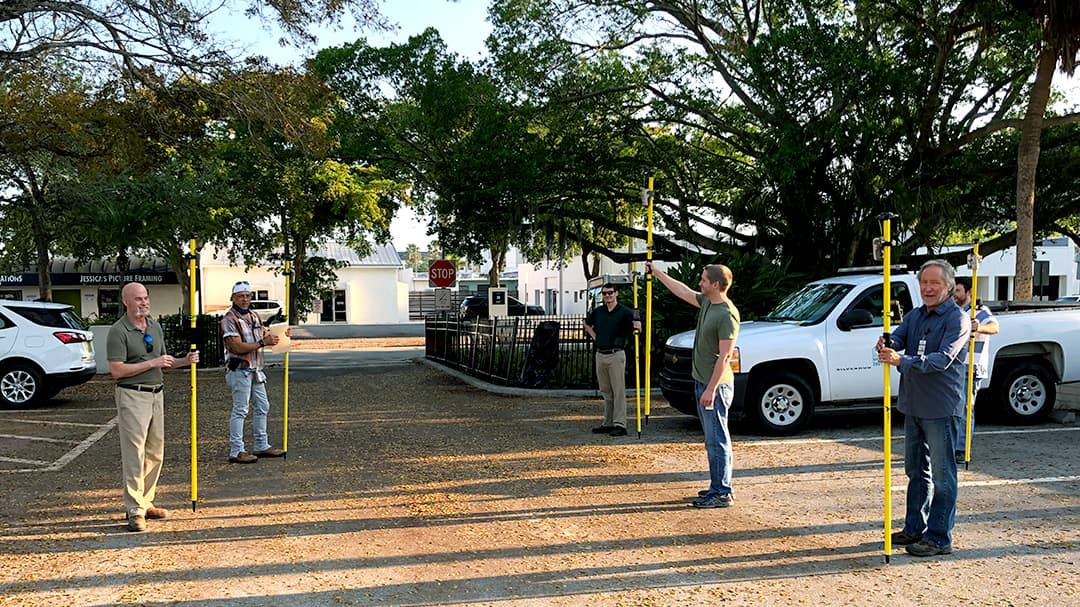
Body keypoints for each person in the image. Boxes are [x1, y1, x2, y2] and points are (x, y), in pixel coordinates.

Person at [876, 260, 971, 557]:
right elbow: (900, 338)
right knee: (916, 470)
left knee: (943, 476)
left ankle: (939, 537)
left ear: (949, 287)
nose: (928, 288)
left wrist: (900, 361)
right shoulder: (916, 315)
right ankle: (914, 527)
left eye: (935, 283)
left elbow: (943, 359)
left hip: (940, 407)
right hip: (914, 404)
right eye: (924, 283)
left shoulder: (956, 319)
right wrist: (885, 342)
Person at [646, 261, 740, 508]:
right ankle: (717, 486)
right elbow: (684, 291)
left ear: (716, 284)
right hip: (703, 382)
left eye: (704, 280)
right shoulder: (708, 302)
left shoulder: (727, 315)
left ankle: (722, 492)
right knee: (711, 438)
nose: (700, 283)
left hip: (716, 387)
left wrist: (710, 389)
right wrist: (657, 273)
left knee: (717, 437)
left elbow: (726, 357)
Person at [107, 282, 199, 532]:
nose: (144, 302)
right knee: (134, 453)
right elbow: (117, 370)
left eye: (146, 298)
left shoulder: (154, 327)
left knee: (155, 452)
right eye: (138, 299)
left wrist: (184, 361)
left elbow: (164, 362)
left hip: (156, 395)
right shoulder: (119, 331)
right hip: (132, 395)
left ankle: (146, 501)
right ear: (126, 301)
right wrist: (151, 363)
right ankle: (134, 510)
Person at [221, 281, 287, 464]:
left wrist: (281, 335)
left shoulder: (254, 316)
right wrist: (262, 343)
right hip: (239, 369)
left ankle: (261, 445)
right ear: (233, 298)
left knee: (262, 406)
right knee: (240, 410)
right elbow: (236, 346)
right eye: (241, 296)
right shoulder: (229, 319)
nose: (245, 299)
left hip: (256, 369)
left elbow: (265, 335)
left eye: (247, 296)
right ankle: (236, 451)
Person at [583, 283, 641, 436]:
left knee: (618, 390)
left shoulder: (625, 312)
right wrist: (595, 337)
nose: (607, 296)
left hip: (616, 354)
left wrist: (637, 326)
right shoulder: (599, 311)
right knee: (606, 391)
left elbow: (638, 326)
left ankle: (620, 424)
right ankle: (607, 423)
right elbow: (586, 323)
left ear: (616, 294)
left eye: (610, 293)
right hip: (601, 354)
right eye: (604, 294)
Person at [953, 276, 998, 463]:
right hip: (954, 366)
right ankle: (953, 445)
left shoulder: (979, 311)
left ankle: (962, 448)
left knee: (965, 408)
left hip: (971, 366)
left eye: (958, 290)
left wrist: (978, 326)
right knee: (953, 408)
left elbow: (994, 327)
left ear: (969, 292)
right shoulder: (954, 311)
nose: (954, 294)